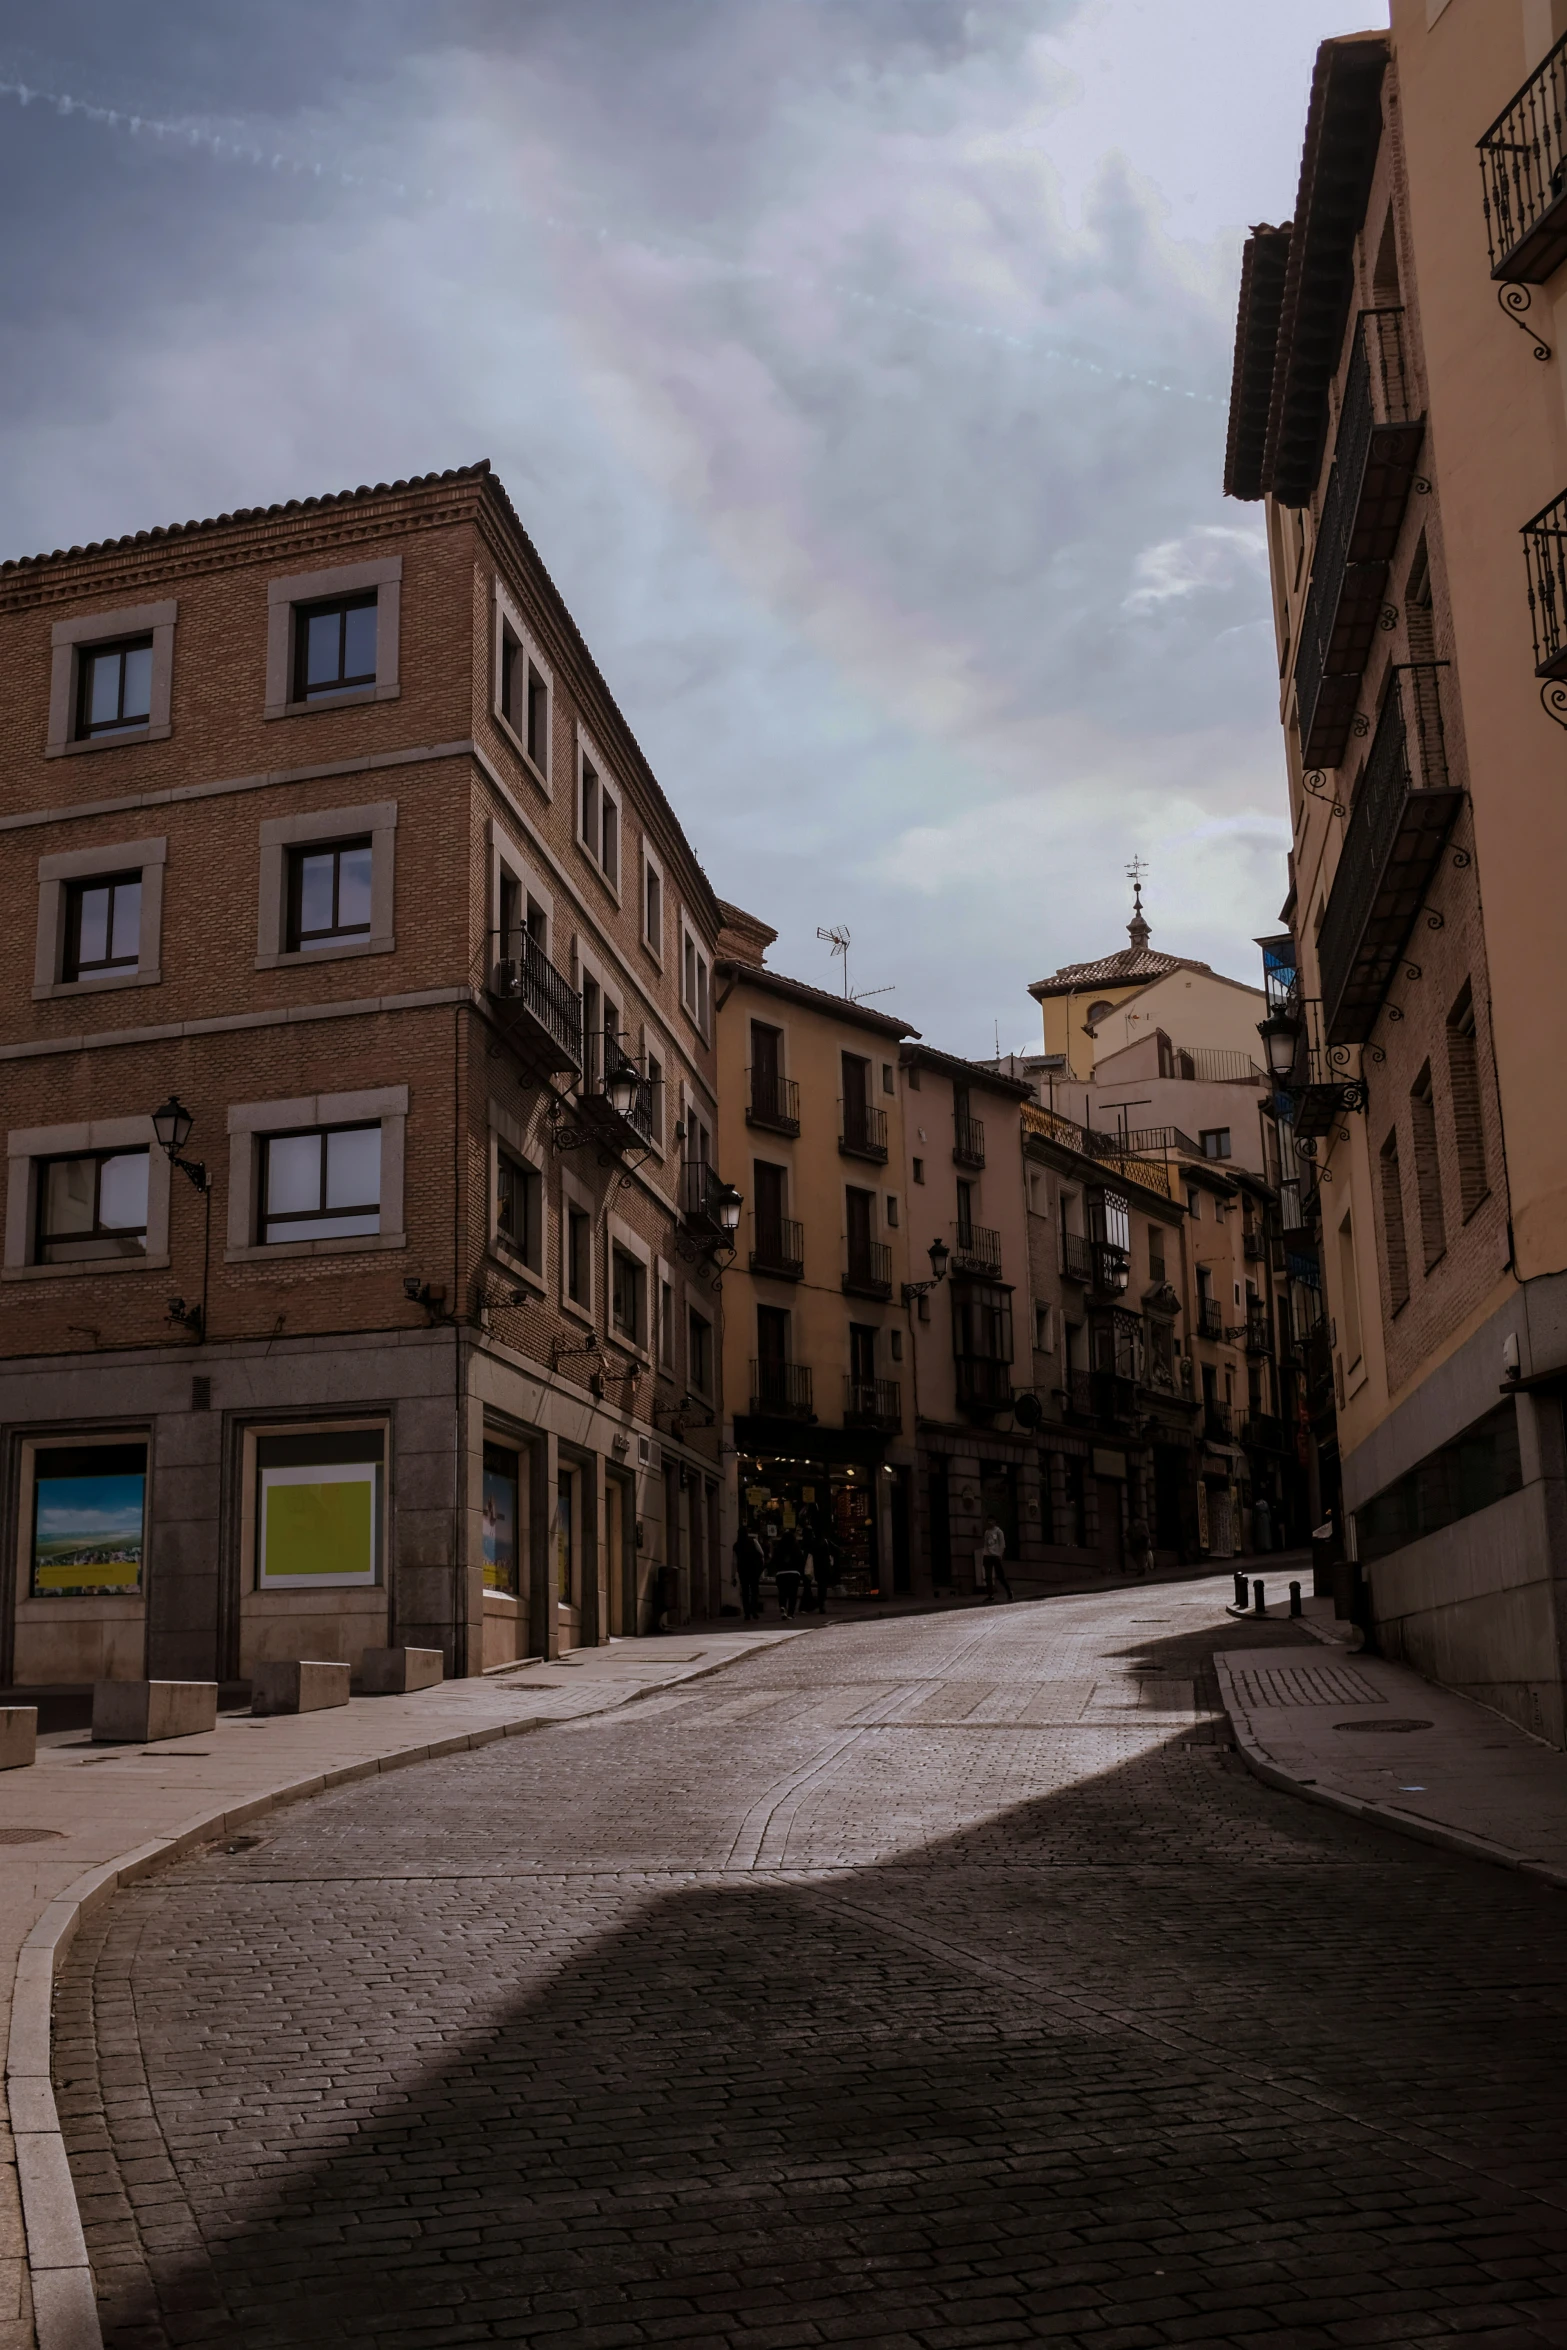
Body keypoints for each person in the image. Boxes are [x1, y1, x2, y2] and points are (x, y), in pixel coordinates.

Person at [733, 1524, 766, 1622]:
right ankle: (754, 1610)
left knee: (745, 1592)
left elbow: (734, 1562)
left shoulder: (736, 1546)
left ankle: (747, 1613)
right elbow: (762, 1554)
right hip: (754, 1570)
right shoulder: (753, 1542)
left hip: (743, 1571)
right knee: (755, 1591)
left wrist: (733, 1575)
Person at [772, 1527, 804, 1619]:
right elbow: (801, 1560)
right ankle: (791, 1613)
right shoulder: (796, 1547)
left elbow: (774, 1560)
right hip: (794, 1573)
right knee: (792, 1595)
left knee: (782, 1593)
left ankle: (782, 1608)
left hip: (781, 1574)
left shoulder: (779, 1547)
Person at [979, 1517, 1013, 1603]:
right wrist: (985, 1553)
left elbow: (1002, 1544)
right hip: (987, 1556)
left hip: (996, 1556)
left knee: (1000, 1576)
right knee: (988, 1577)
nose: (989, 1522)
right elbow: (986, 1544)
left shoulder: (999, 1532)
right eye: (988, 1521)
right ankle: (990, 1595)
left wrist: (1000, 1554)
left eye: (991, 1520)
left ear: (994, 1521)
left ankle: (1009, 1592)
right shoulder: (987, 1532)